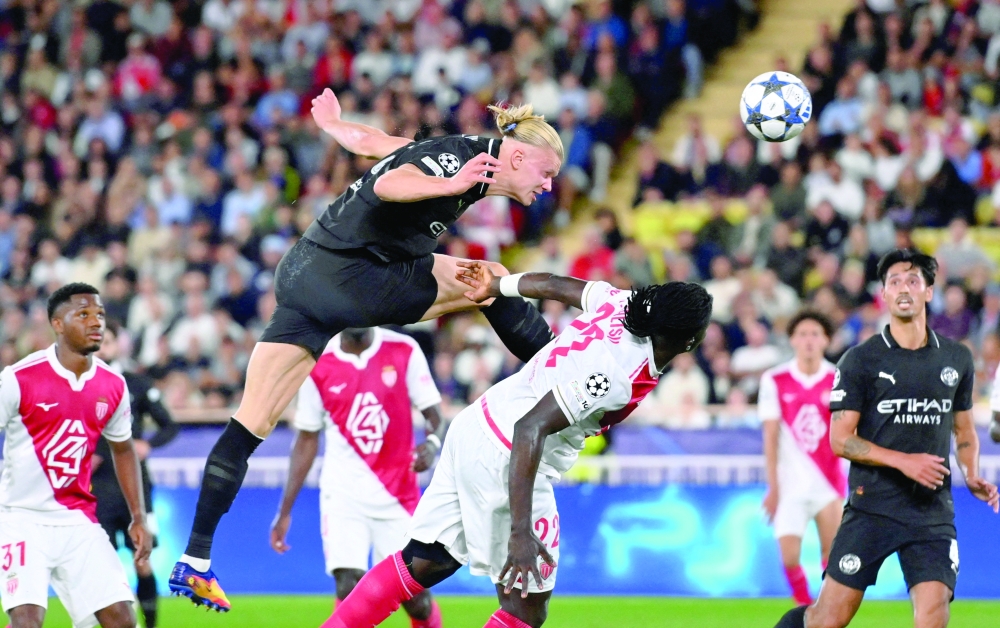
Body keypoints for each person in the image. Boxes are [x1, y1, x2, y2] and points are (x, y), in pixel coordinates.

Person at [170, 91, 564, 609]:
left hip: (302, 272)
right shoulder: (465, 163)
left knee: (251, 422)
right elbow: (388, 181)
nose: (548, 184)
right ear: (516, 157)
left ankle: (195, 559)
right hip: (354, 277)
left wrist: (335, 124)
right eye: (546, 172)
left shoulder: (454, 152)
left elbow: (378, 145)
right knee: (485, 279)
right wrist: (451, 184)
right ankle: (563, 368)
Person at [322, 264, 713, 628]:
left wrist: (498, 285)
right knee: (527, 607)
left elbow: (553, 285)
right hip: (509, 450)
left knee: (427, 560)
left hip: (476, 423)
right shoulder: (617, 377)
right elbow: (530, 428)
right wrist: (521, 532)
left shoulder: (619, 302)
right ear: (690, 341)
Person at [774, 249, 1000, 628]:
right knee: (827, 619)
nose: (904, 288)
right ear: (884, 295)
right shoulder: (860, 360)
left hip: (931, 511)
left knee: (933, 615)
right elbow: (841, 440)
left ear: (929, 292)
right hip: (871, 506)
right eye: (894, 282)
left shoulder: (957, 358)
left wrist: (971, 472)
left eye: (913, 281)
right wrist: (904, 461)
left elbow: (963, 430)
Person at [269, 328, 445, 628]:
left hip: (397, 496)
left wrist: (432, 444)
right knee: (348, 585)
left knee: (415, 599)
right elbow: (307, 439)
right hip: (343, 494)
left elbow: (435, 417)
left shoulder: (403, 349)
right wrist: (284, 511)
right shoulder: (318, 362)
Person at [0, 283, 152, 628]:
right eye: (82, 314)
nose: (95, 322)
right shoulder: (19, 378)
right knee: (26, 621)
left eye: (99, 314)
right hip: (21, 518)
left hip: (78, 521)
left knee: (123, 621)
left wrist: (138, 516)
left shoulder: (113, 385)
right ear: (57, 323)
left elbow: (124, 448)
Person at [92, 320, 179, 628]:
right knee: (103, 564)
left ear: (120, 345)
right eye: (99, 341)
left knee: (142, 560)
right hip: (96, 488)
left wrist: (147, 443)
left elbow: (168, 424)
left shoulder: (136, 384)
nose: (103, 348)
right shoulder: (80, 384)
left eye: (109, 341)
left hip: (135, 484)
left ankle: (150, 623)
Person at [759, 311, 845, 606]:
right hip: (791, 484)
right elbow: (770, 436)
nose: (809, 340)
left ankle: (826, 613)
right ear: (792, 340)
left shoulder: (838, 378)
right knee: (790, 556)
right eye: (803, 334)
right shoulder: (775, 379)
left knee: (832, 556)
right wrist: (773, 486)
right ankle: (804, 606)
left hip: (829, 483)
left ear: (826, 340)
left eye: (815, 334)